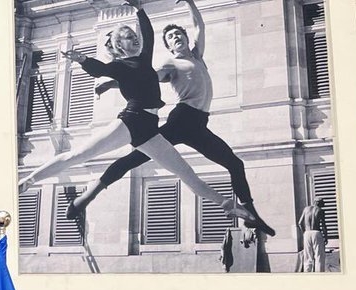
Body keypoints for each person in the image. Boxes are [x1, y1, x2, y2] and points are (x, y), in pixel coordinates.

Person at [19, 0, 252, 225]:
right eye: (130, 37)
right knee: (78, 155)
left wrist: (140, 10)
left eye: (134, 35)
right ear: (121, 45)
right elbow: (99, 69)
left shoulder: (144, 57)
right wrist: (82, 59)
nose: (135, 39)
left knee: (189, 176)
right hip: (131, 122)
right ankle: (29, 180)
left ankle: (233, 208)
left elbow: (148, 34)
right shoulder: (118, 67)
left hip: (149, 130)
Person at [299, 198, 327, 272]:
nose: (323, 204)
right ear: (317, 202)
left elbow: (299, 223)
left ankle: (307, 274)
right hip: (316, 233)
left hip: (307, 233)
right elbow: (323, 226)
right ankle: (319, 275)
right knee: (319, 256)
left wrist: (304, 233)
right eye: (322, 202)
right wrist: (326, 237)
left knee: (307, 256)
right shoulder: (320, 210)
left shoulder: (306, 209)